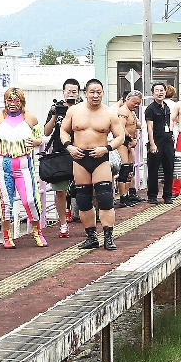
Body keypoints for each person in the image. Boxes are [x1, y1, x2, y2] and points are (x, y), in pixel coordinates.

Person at [60, 78, 128, 250]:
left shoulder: (109, 114)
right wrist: (69, 147)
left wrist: (106, 148)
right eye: (92, 92)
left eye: (99, 92)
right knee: (83, 200)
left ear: (103, 93)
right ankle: (91, 236)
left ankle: (108, 236)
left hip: (100, 157)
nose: (95, 95)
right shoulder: (74, 111)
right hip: (80, 157)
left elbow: (120, 136)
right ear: (85, 93)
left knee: (105, 197)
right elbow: (64, 130)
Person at [0, 87, 47, 248]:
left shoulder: (30, 118)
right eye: (9, 100)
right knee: (5, 202)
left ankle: (37, 231)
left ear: (22, 101)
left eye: (16, 100)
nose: (13, 104)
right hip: (2, 163)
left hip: (23, 163)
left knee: (30, 199)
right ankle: (7, 236)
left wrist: (36, 142)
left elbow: (39, 137)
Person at [42, 78, 82, 235]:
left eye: (74, 91)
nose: (71, 94)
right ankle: (63, 224)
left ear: (79, 93)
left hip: (81, 152)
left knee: (84, 189)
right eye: (68, 91)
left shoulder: (84, 108)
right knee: (60, 191)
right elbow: (46, 132)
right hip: (60, 154)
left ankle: (87, 223)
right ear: (63, 92)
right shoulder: (57, 107)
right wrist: (54, 115)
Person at [143, 82, 175, 204]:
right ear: (153, 93)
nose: (160, 93)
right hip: (156, 142)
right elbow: (149, 127)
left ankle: (168, 195)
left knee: (169, 169)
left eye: (162, 90)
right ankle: (152, 196)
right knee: (153, 170)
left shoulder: (166, 107)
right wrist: (152, 143)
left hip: (167, 142)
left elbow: (169, 122)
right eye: (157, 90)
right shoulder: (150, 109)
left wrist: (172, 134)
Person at [117, 90, 143, 206]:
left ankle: (127, 195)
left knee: (130, 170)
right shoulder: (123, 111)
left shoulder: (131, 112)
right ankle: (123, 197)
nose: (136, 105)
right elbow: (121, 127)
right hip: (123, 143)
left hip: (130, 143)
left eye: (138, 103)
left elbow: (137, 125)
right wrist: (130, 139)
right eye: (134, 102)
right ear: (127, 99)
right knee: (125, 169)